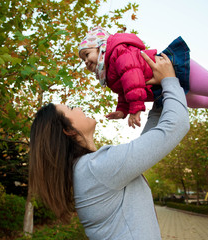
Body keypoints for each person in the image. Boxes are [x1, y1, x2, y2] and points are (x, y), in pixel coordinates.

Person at [29, 52, 190, 239]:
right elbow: (176, 126)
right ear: (68, 130)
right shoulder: (95, 168)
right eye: (72, 109)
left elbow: (149, 145)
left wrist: (159, 97)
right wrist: (169, 79)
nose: (79, 108)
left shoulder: (88, 169)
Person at [79, 26, 208, 129]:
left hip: (171, 67)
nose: (86, 61)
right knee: (197, 101)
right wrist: (122, 109)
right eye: (83, 60)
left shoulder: (118, 51)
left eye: (87, 54)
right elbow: (126, 89)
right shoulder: (110, 74)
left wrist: (135, 108)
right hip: (163, 87)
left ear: (100, 47)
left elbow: (132, 77)